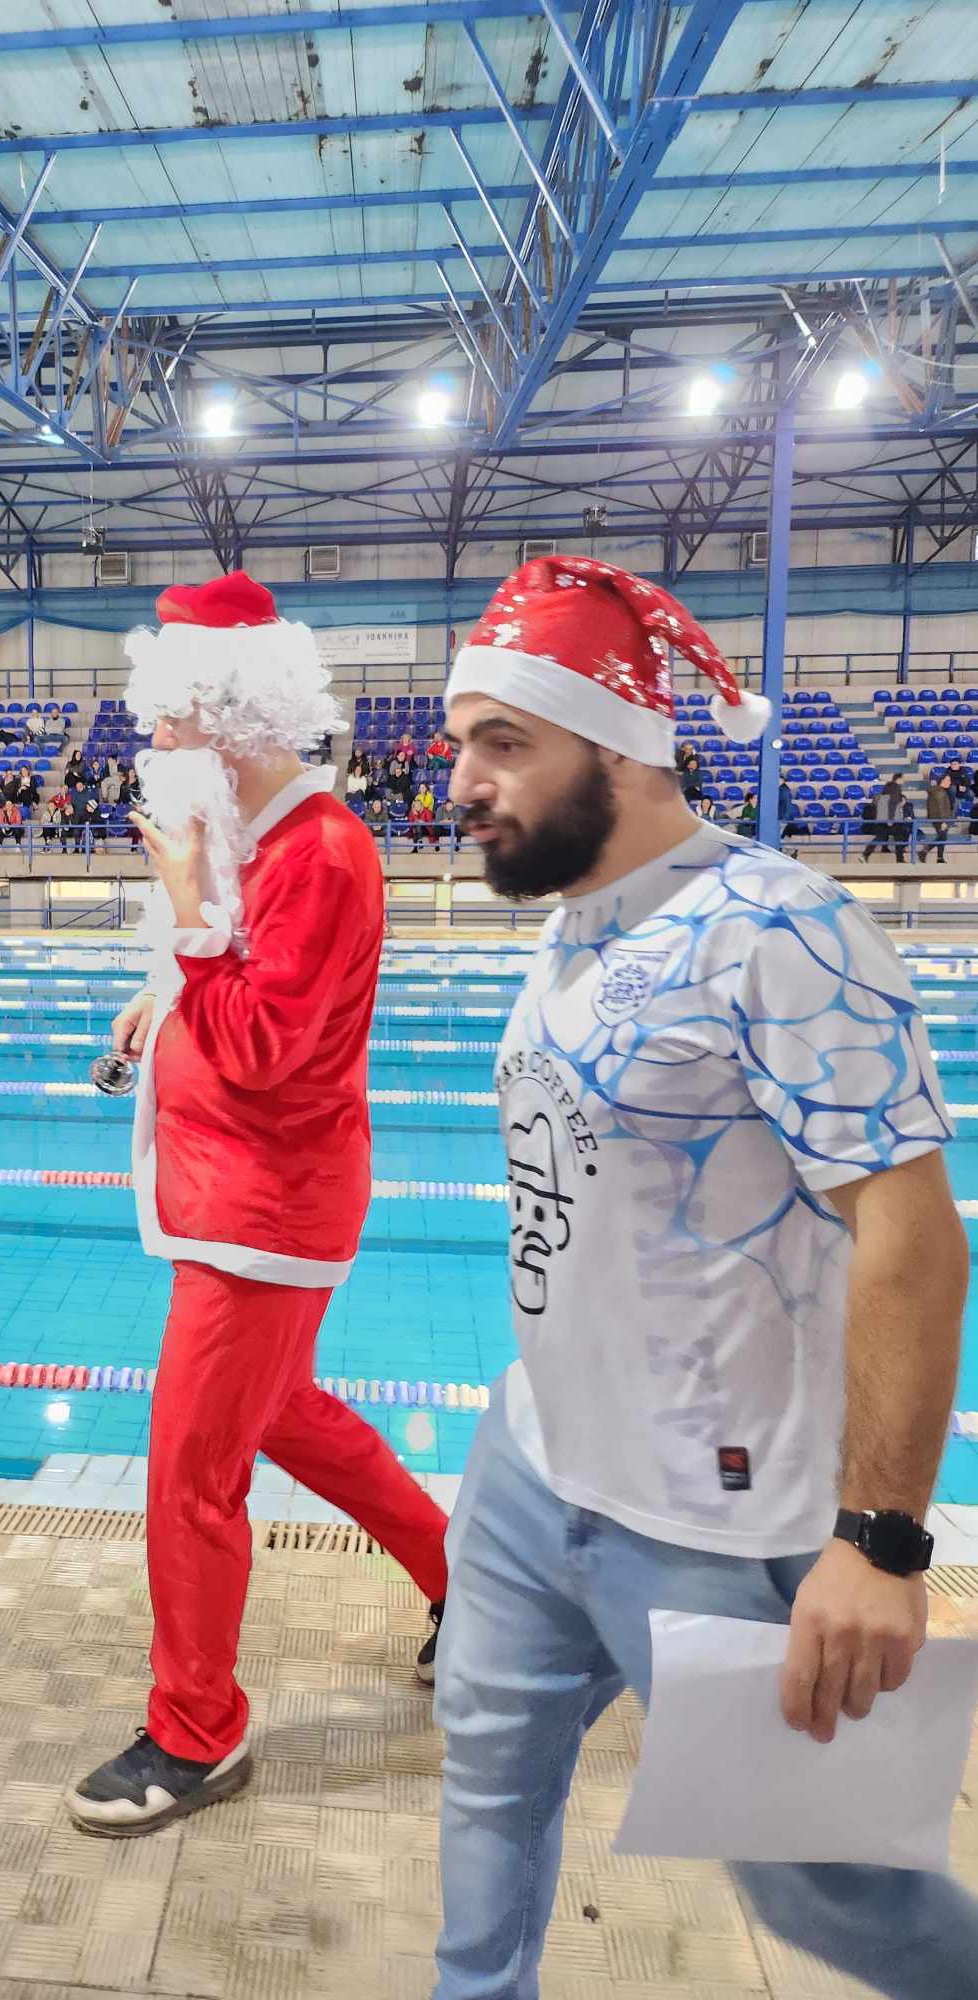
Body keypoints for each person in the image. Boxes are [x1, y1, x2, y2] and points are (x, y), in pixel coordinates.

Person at [433, 551, 977, 1999]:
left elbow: (914, 1238)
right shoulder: (576, 912)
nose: (463, 783)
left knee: (838, 1897)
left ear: (622, 748)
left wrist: (880, 1542)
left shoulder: (780, 927)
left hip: (714, 1527)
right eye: (461, 742)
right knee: (486, 1794)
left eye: (504, 742)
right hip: (533, 1469)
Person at [64, 571, 450, 1837]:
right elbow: (236, 989)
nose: (153, 737)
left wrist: (186, 917)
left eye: (170, 718)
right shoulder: (260, 837)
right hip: (238, 1198)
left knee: (191, 1468)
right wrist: (166, 985)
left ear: (230, 718)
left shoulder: (319, 852)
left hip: (266, 1215)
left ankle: (198, 1729)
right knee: (290, 1416)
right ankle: (469, 1581)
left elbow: (264, 1047)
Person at [862, 777, 912, 863]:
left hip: (883, 822)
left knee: (880, 838)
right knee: (898, 839)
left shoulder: (881, 798)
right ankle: (899, 859)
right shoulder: (893, 798)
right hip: (892, 822)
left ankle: (865, 855)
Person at [921, 772, 954, 863]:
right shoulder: (939, 792)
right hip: (940, 818)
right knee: (942, 837)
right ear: (942, 781)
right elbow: (940, 807)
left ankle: (939, 858)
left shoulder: (940, 791)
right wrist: (943, 821)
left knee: (942, 837)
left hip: (938, 818)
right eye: (948, 780)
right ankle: (925, 851)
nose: (950, 782)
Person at [408, 778, 436, 850]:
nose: (421, 789)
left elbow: (425, 805)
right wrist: (414, 809)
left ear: (426, 788)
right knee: (415, 824)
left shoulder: (429, 795)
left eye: (423, 787)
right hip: (419, 814)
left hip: (427, 814)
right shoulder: (418, 796)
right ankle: (419, 843)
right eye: (420, 787)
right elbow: (413, 805)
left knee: (417, 824)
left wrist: (417, 805)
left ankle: (416, 845)